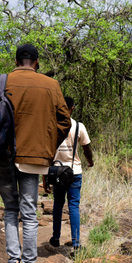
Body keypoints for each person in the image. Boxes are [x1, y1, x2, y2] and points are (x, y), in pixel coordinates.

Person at [0, 44, 71, 263]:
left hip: (3, 154)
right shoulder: (51, 85)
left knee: (10, 210)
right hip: (34, 157)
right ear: (37, 62)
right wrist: (47, 144)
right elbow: (65, 121)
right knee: (29, 214)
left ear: (17, 60)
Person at [44, 96, 94, 252]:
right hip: (74, 172)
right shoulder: (79, 126)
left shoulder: (52, 125)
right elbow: (86, 148)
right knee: (73, 206)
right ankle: (76, 243)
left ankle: (56, 238)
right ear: (72, 108)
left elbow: (47, 154)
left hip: (57, 172)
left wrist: (45, 177)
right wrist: (90, 161)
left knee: (58, 204)